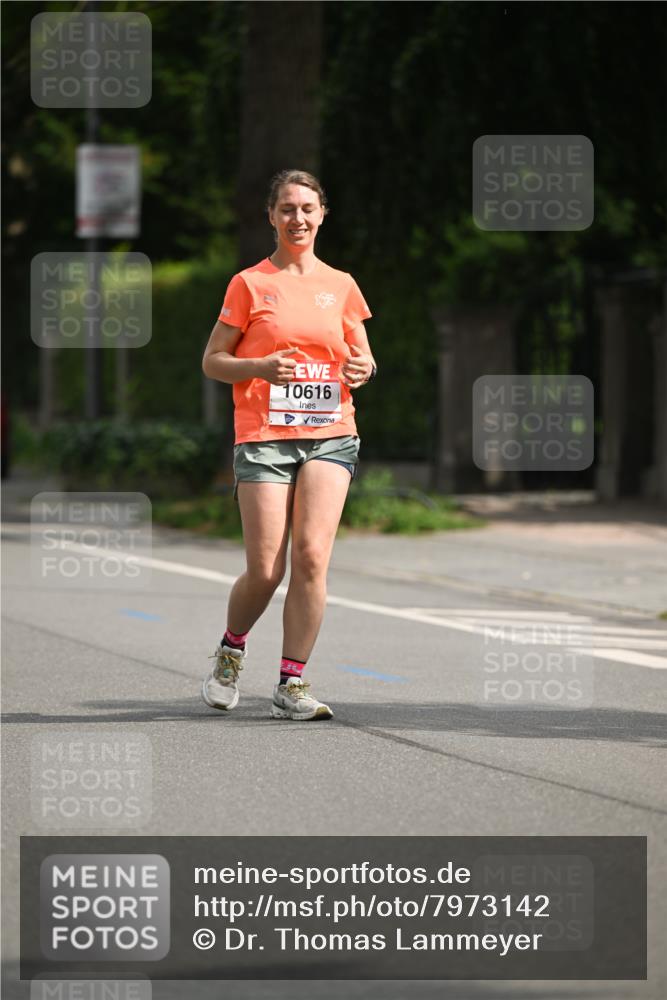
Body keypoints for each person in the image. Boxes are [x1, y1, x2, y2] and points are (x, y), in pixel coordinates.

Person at [200, 169, 375, 721]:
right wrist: (261, 367)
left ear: (323, 214)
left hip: (330, 433)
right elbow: (213, 361)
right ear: (271, 217)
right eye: (286, 209)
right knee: (265, 569)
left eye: (307, 208)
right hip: (266, 440)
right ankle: (231, 649)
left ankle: (291, 684)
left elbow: (362, 357)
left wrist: (363, 368)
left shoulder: (342, 284)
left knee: (312, 558)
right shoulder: (249, 283)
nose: (297, 218)